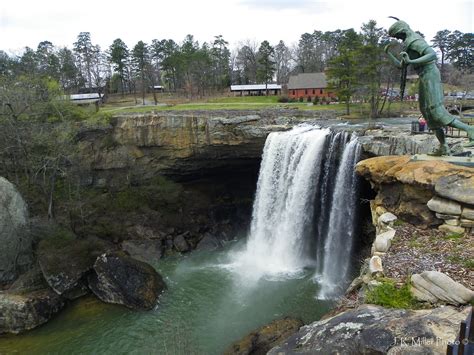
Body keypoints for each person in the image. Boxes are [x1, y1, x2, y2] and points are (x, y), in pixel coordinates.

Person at [384, 19, 474, 155]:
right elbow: (401, 65)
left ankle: (469, 130)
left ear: (402, 30)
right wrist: (388, 54)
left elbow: (431, 55)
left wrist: (412, 61)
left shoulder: (414, 40)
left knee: (436, 111)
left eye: (397, 36)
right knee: (426, 111)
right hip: (424, 77)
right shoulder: (408, 43)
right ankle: (443, 147)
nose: (397, 39)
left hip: (430, 75)